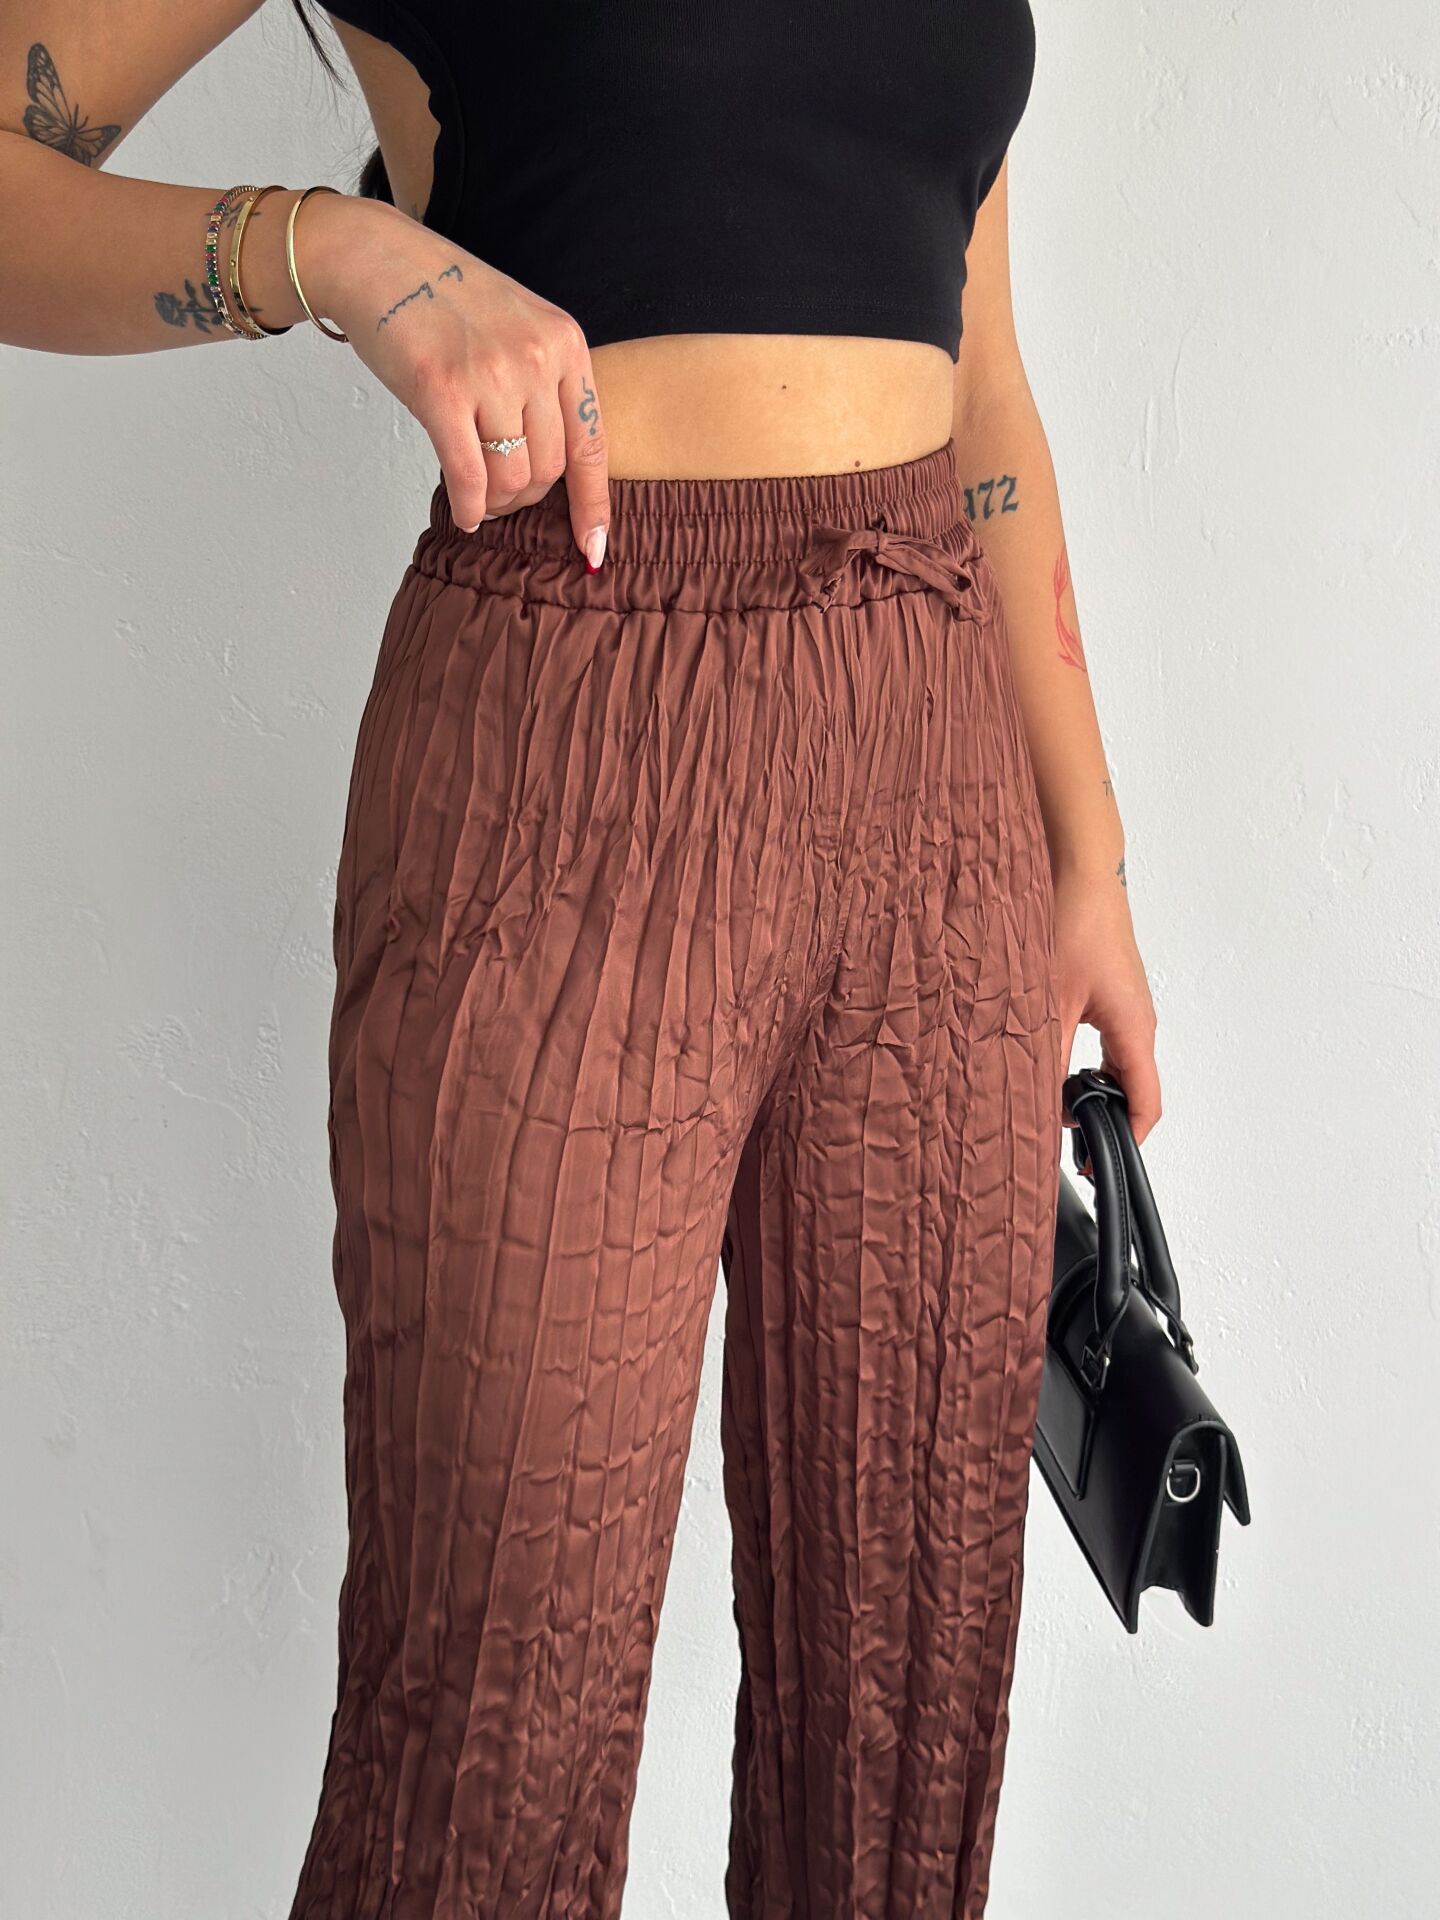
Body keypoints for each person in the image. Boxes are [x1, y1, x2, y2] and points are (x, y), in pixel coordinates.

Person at [0, 0, 1161, 1913]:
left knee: (905, 1723)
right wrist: (328, 245)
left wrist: (1087, 856)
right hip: (566, 746)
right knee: (489, 1745)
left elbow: (988, 381)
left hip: (941, 775)